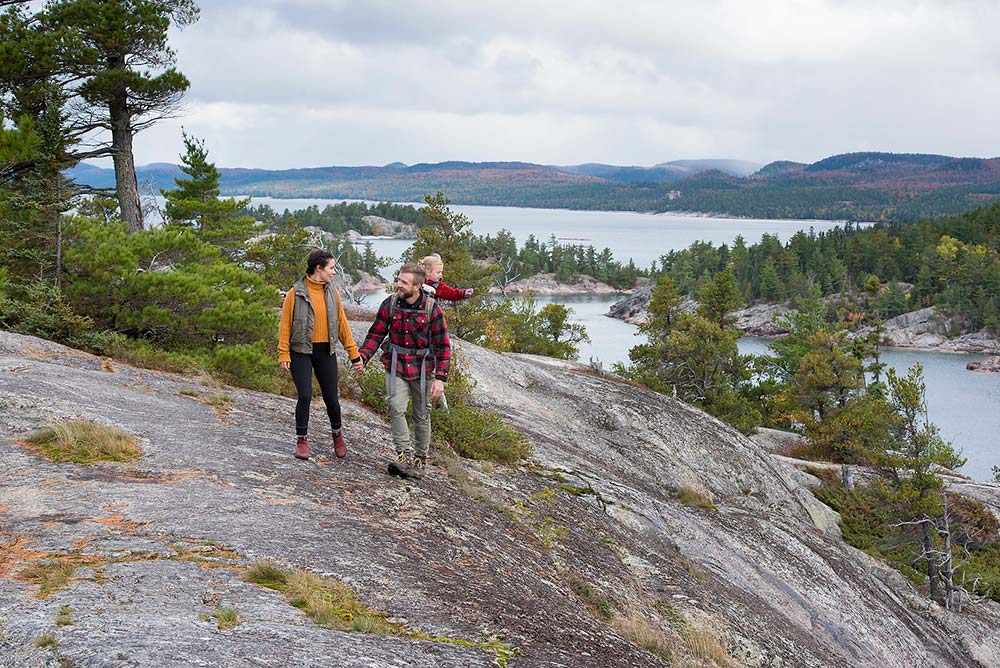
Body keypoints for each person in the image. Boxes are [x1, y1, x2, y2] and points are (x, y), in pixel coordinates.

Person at [357, 262, 451, 479]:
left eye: (403, 282)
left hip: (423, 370)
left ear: (417, 286)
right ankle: (402, 455)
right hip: (396, 364)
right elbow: (376, 334)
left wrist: (440, 378)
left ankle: (419, 460)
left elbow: (443, 346)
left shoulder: (432, 309)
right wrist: (363, 356)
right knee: (395, 407)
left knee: (421, 414)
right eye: (398, 280)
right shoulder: (389, 304)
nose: (398, 285)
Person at [278, 249, 364, 461]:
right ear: (319, 268)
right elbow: (285, 326)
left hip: (326, 352)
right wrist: (284, 354)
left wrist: (354, 355)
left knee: (332, 400)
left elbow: (342, 325)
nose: (334, 272)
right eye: (331, 268)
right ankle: (302, 440)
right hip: (301, 352)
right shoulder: (295, 293)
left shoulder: (332, 294)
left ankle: (337, 435)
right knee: (305, 396)